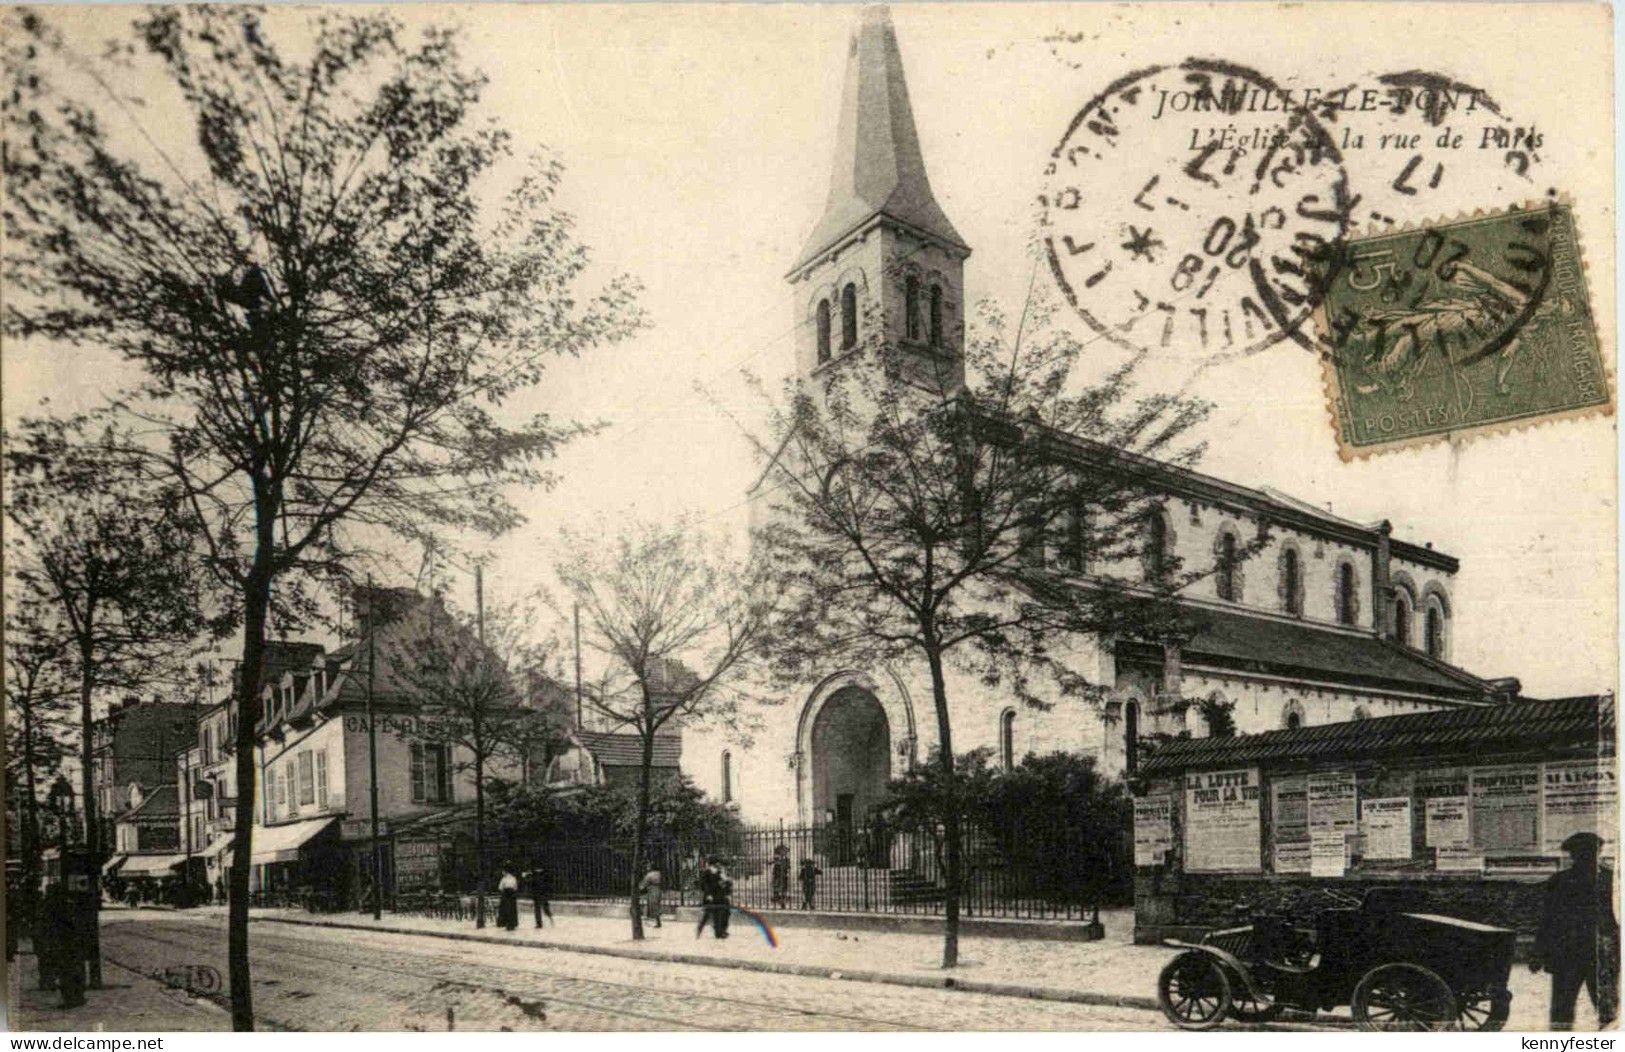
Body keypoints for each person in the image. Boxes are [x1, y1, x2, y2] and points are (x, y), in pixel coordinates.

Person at [1532, 831, 1619, 1030]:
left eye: (1588, 853)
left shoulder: (1612, 881)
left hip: (1598, 955)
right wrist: (1538, 953)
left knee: (1607, 1013)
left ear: (1597, 853)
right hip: (1571, 955)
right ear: (1573, 856)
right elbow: (1548, 919)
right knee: (1562, 1012)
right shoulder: (1560, 882)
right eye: (1580, 854)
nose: (1585, 858)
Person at [38, 879, 85, 1008]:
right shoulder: (67, 905)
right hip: (69, 944)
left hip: (60, 944)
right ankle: (76, 997)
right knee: (71, 971)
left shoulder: (49, 907)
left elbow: (46, 926)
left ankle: (70, 998)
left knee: (64, 971)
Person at [695, 857, 731, 939]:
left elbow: (725, 883)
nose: (718, 865)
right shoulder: (707, 873)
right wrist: (708, 894)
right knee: (707, 915)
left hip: (719, 897)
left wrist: (725, 882)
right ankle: (700, 928)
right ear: (713, 864)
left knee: (721, 914)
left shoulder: (719, 872)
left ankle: (720, 932)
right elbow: (704, 885)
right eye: (717, 863)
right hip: (710, 897)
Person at [524, 861, 553, 929]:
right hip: (543, 893)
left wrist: (526, 876)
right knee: (545, 906)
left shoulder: (534, 875)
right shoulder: (544, 874)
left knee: (537, 908)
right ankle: (549, 916)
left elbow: (530, 883)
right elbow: (548, 884)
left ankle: (539, 923)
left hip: (536, 894)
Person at [495, 864, 520, 931]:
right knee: (512, 910)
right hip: (512, 896)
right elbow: (515, 887)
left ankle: (506, 924)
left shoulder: (504, 879)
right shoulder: (514, 878)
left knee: (505, 910)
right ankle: (512, 924)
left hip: (506, 895)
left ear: (505, 871)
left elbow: (500, 888)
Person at [770, 845, 791, 909]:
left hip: (784, 877)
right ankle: (779, 902)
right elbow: (773, 867)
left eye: (785, 851)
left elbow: (788, 867)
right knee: (776, 890)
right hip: (777, 877)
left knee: (783, 890)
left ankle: (782, 902)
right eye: (782, 851)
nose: (784, 853)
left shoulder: (786, 860)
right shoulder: (776, 859)